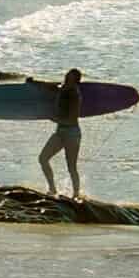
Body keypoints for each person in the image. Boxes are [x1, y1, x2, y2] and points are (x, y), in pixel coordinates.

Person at [37, 67, 86, 198]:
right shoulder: (62, 88)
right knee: (43, 158)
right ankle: (52, 189)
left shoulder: (75, 95)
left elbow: (72, 118)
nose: (67, 79)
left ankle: (76, 195)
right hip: (60, 132)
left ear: (75, 81)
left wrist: (55, 119)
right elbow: (51, 87)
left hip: (72, 133)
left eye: (71, 78)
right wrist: (35, 83)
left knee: (71, 167)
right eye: (67, 77)